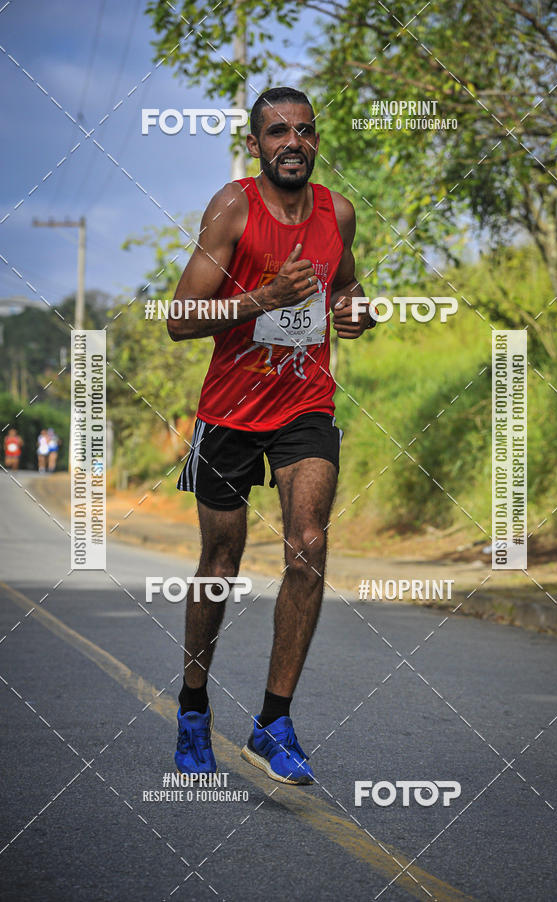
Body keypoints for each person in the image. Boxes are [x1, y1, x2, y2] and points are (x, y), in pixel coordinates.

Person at [168, 86, 375, 783]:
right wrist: (263, 299)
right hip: (229, 411)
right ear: (255, 145)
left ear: (316, 141)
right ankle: (194, 705)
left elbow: (345, 286)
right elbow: (179, 317)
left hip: (304, 404)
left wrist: (356, 311)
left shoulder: (336, 213)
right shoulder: (234, 209)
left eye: (305, 131)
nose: (294, 142)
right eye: (278, 132)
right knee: (221, 562)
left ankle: (274, 719)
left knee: (307, 546)